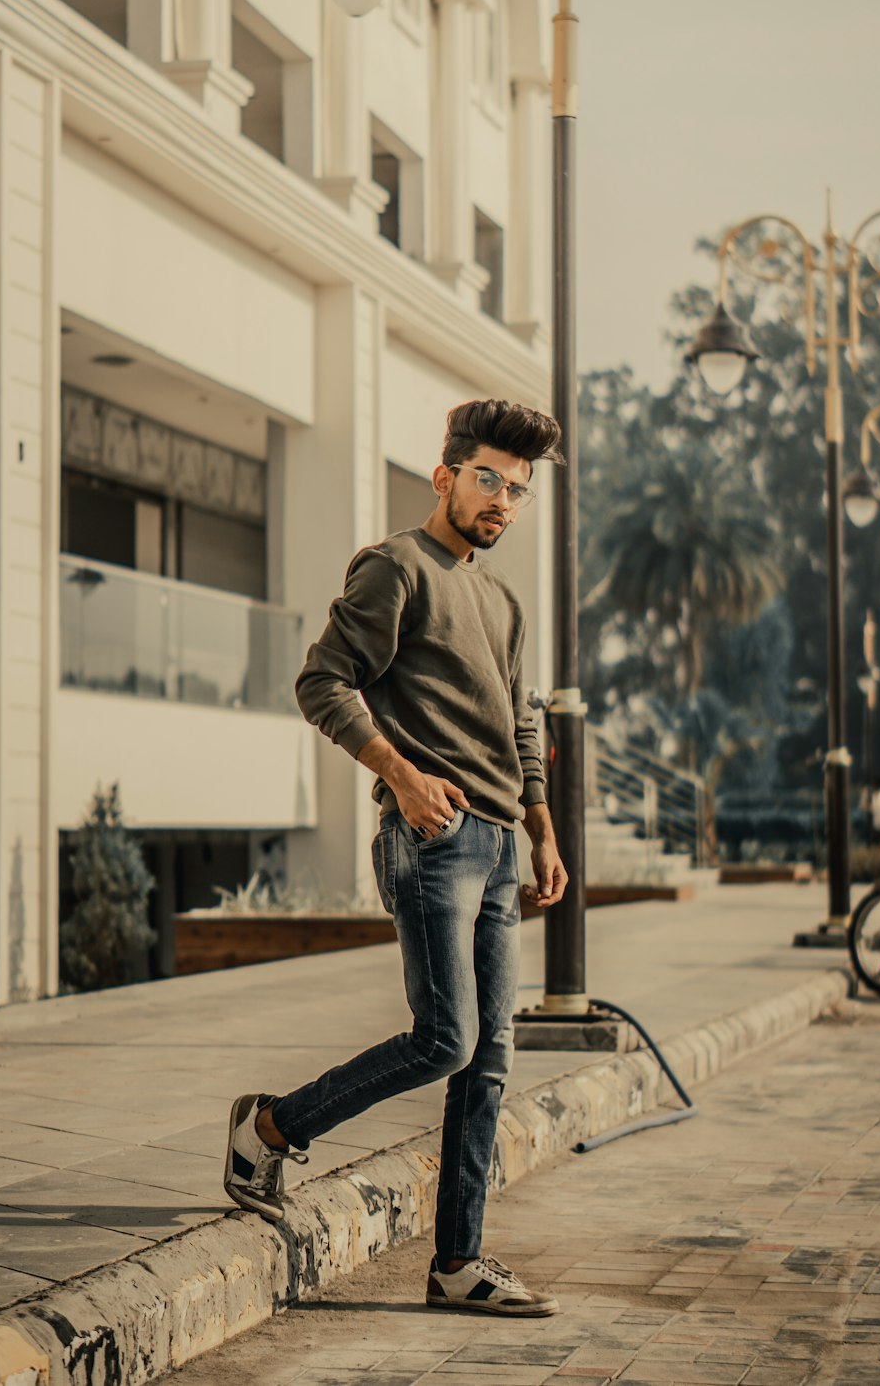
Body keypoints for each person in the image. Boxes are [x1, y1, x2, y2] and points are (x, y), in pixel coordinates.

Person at [223, 398, 569, 1317]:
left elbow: (519, 718)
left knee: (489, 1057)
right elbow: (321, 681)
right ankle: (270, 1127)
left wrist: (540, 823)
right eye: (489, 477)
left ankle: (459, 1263)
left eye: (519, 489)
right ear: (445, 475)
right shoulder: (395, 569)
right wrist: (401, 775)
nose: (502, 499)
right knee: (445, 1037)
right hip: (434, 838)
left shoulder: (500, 599)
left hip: (499, 845)